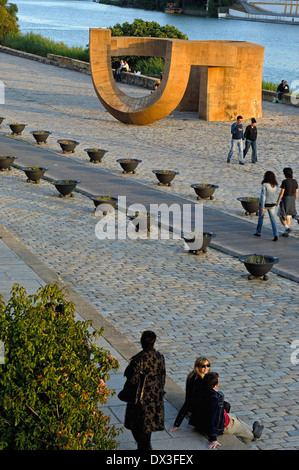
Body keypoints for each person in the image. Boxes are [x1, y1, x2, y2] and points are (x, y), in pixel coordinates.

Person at [190, 372, 264, 449]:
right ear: (215, 385)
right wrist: (213, 440)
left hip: (219, 418)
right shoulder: (214, 398)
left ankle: (253, 430)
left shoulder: (200, 390)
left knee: (235, 417)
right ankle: (252, 436)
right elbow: (210, 419)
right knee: (237, 425)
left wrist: (177, 424)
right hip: (223, 425)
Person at [124, 330, 166, 450]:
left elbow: (132, 380)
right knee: (147, 428)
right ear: (154, 343)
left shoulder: (138, 360)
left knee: (137, 428)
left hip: (140, 400)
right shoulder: (159, 357)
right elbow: (162, 377)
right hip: (154, 399)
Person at [168, 356, 211, 432]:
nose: (206, 368)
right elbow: (188, 401)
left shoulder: (197, 375)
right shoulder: (197, 380)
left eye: (208, 365)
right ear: (198, 366)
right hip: (198, 407)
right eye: (203, 366)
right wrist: (176, 424)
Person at [254, 171, 279, 241]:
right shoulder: (275, 185)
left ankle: (258, 231)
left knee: (261, 218)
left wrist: (262, 205)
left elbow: (263, 196)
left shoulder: (264, 185)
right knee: (273, 219)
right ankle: (276, 233)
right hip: (272, 203)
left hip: (265, 204)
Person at [276, 167, 298, 237]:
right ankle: (286, 232)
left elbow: (282, 192)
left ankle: (287, 228)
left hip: (286, 199)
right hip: (292, 199)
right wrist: (295, 199)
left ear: (285, 174)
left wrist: (277, 201)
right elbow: (296, 191)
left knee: (280, 214)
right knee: (288, 216)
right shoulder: (295, 181)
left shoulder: (284, 181)